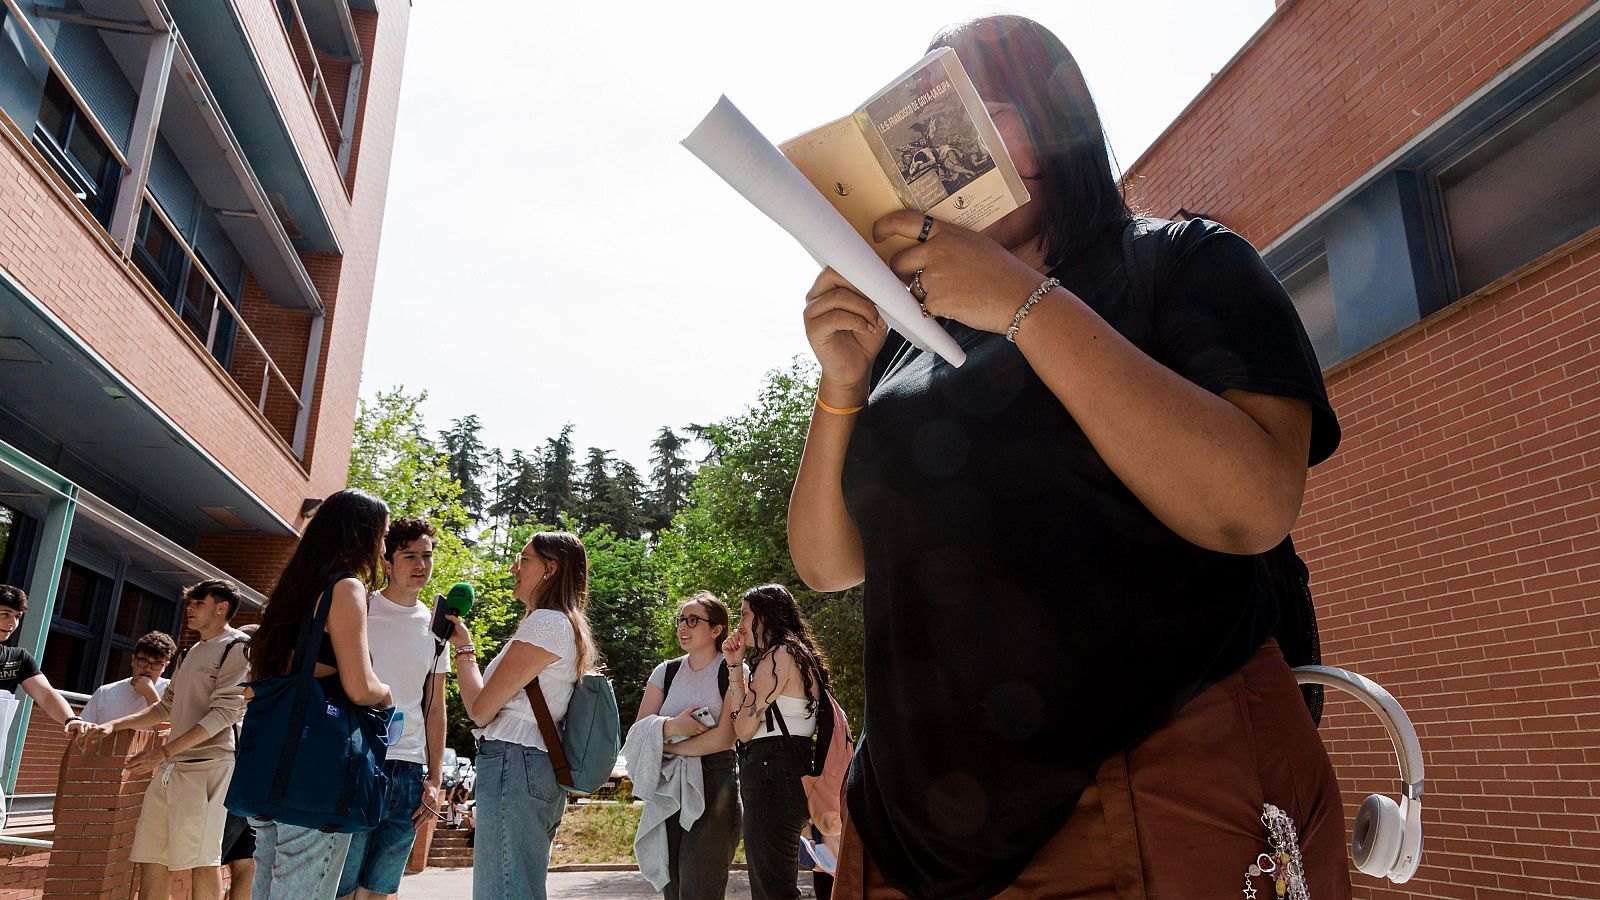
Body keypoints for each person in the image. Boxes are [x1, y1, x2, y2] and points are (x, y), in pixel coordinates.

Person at [789, 15, 1348, 899]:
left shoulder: (1185, 263)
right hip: (906, 839)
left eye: (983, 107)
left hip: (1147, 792)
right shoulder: (906, 344)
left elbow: (1252, 505)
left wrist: (1023, 301)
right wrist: (841, 382)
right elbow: (826, 564)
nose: (939, 147)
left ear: (1061, 128)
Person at [242, 489, 393, 900]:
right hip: (315, 771)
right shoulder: (344, 588)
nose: (384, 546)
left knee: (270, 884)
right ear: (360, 534)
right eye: (382, 534)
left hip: (272, 765)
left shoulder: (296, 587)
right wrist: (387, 693)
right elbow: (359, 688)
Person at [445, 530, 598, 900]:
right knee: (518, 886)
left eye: (523, 559)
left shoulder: (547, 623)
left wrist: (464, 649)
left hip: (514, 761)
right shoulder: (562, 624)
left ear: (550, 569)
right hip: (532, 765)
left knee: (505, 889)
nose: (514, 567)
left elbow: (480, 710)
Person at [91, 580, 251, 900]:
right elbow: (166, 707)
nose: (189, 609)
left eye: (198, 603)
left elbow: (223, 715)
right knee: (150, 857)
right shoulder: (189, 651)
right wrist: (114, 725)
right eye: (189, 603)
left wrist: (162, 753)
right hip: (171, 768)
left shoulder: (238, 647)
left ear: (222, 608)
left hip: (210, 768)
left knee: (203, 862)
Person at [337, 518, 451, 900]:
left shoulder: (439, 627)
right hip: (356, 759)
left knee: (381, 891)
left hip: (409, 772)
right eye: (409, 556)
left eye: (427, 556)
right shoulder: (360, 609)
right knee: (342, 886)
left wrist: (435, 779)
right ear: (387, 562)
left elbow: (436, 708)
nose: (421, 565)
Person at [722, 585, 830, 900]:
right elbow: (743, 721)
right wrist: (735, 665)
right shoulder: (797, 654)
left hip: (771, 772)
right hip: (788, 769)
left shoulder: (777, 657)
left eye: (744, 614)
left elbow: (741, 728)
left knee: (772, 887)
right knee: (776, 882)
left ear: (765, 615)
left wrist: (734, 670)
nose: (739, 624)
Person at [634, 592, 744, 899]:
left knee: (700, 890)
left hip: (716, 783)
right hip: (668, 784)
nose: (684, 626)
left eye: (693, 620)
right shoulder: (666, 672)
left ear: (716, 630)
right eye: (681, 619)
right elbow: (639, 732)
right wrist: (675, 727)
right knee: (674, 889)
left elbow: (725, 738)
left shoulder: (733, 670)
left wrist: (668, 744)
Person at [0, 585, 80, 732]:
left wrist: (71, 719)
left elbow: (45, 695)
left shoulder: (19, 659)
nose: (13, 623)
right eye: (5, 614)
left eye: (17, 616)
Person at [75, 631, 176, 725]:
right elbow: (82, 733)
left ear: (165, 666)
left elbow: (167, 732)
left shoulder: (172, 691)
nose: (148, 669)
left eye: (156, 664)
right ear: (133, 660)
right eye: (143, 661)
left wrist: (150, 694)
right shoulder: (105, 692)